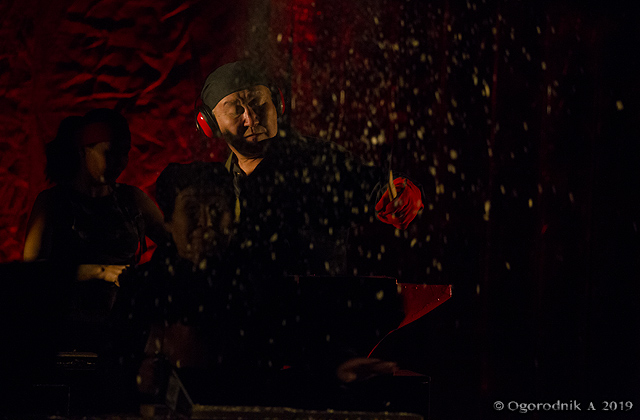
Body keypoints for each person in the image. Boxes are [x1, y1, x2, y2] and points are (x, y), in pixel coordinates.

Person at [196, 60, 424, 277]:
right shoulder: (214, 188)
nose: (251, 118)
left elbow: (374, 185)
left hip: (316, 301)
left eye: (258, 103)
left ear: (277, 104)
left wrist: (401, 193)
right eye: (236, 110)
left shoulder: (317, 161)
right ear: (211, 124)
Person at [22, 108, 167, 352]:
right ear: (83, 151)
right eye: (110, 153)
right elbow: (32, 273)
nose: (120, 162)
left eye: (125, 153)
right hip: (68, 333)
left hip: (125, 330)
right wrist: (100, 272)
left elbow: (175, 243)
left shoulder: (132, 200)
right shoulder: (53, 203)